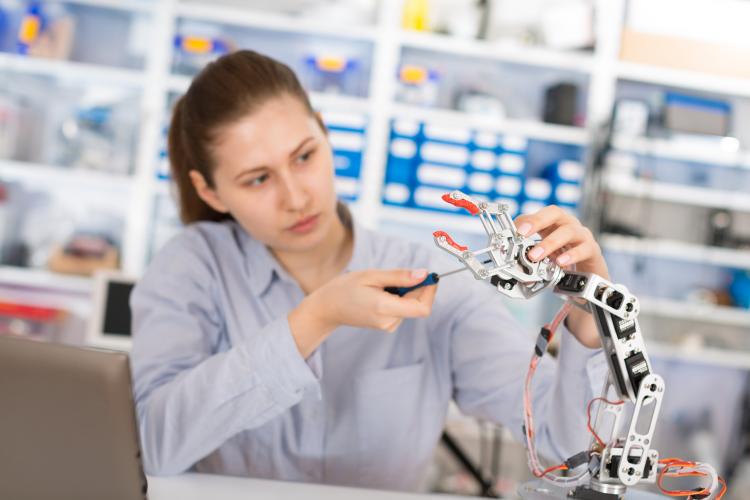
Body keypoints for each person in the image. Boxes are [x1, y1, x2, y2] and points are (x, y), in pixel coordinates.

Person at [130, 50, 609, 492]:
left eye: (304, 156)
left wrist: (592, 316)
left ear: (324, 131)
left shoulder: (433, 278)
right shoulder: (192, 267)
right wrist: (314, 319)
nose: (296, 197)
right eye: (258, 179)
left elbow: (564, 446)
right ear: (210, 192)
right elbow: (152, 444)